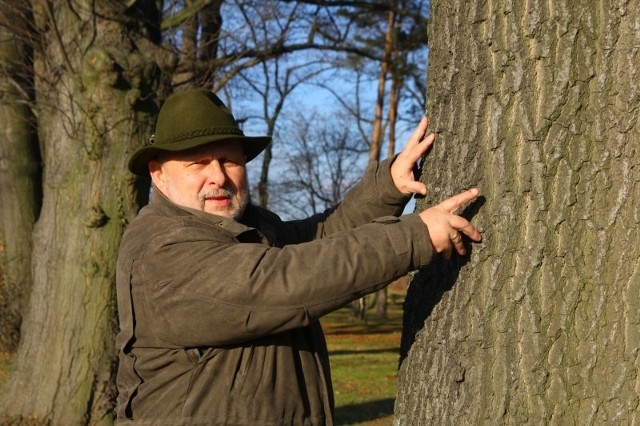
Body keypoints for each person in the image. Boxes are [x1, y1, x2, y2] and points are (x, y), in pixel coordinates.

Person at [115, 89, 481, 425]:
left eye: (229, 160)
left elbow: (318, 237)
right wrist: (414, 235)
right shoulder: (162, 250)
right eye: (198, 163)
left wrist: (388, 186)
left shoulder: (248, 228)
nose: (219, 177)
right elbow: (285, 280)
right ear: (158, 174)